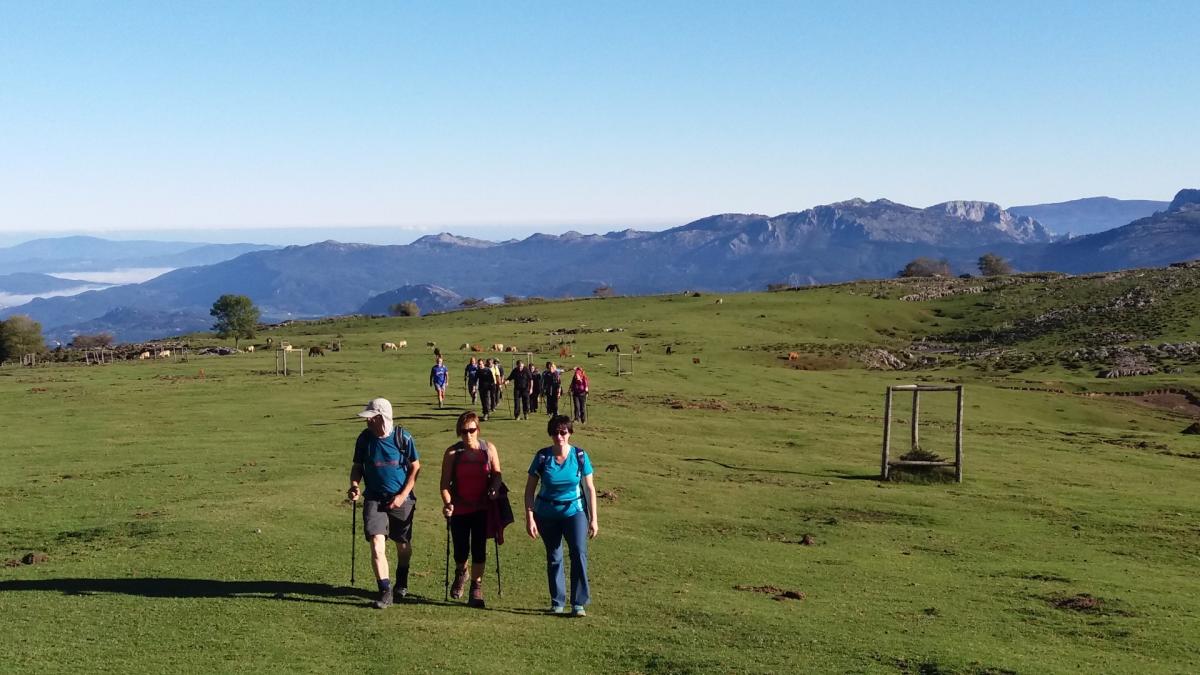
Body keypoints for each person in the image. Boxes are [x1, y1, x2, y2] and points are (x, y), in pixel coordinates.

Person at [347, 398, 421, 609]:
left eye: (370, 418)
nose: (367, 422)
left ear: (381, 418)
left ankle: (402, 579)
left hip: (401, 499)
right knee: (377, 545)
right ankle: (385, 591)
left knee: (403, 545)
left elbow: (415, 467)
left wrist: (402, 495)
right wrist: (354, 485)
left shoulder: (403, 438)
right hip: (373, 498)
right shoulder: (364, 439)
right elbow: (357, 467)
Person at [525, 415, 598, 616]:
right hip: (546, 514)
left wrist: (593, 519)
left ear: (570, 433)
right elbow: (529, 490)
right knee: (554, 556)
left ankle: (578, 603)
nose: (559, 436)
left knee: (578, 552)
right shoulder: (542, 457)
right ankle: (557, 602)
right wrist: (530, 518)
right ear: (550, 434)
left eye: (563, 432)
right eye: (555, 432)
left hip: (575, 512)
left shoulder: (580, 456)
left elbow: (590, 488)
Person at [440, 411, 503, 608]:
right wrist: (448, 503)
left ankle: (476, 586)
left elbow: (497, 474)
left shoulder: (489, 449)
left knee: (479, 549)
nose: (468, 435)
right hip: (459, 508)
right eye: (463, 431)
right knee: (460, 550)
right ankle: (461, 572)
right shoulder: (452, 453)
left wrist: (494, 487)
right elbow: (444, 484)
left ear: (478, 429)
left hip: (482, 508)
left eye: (471, 430)